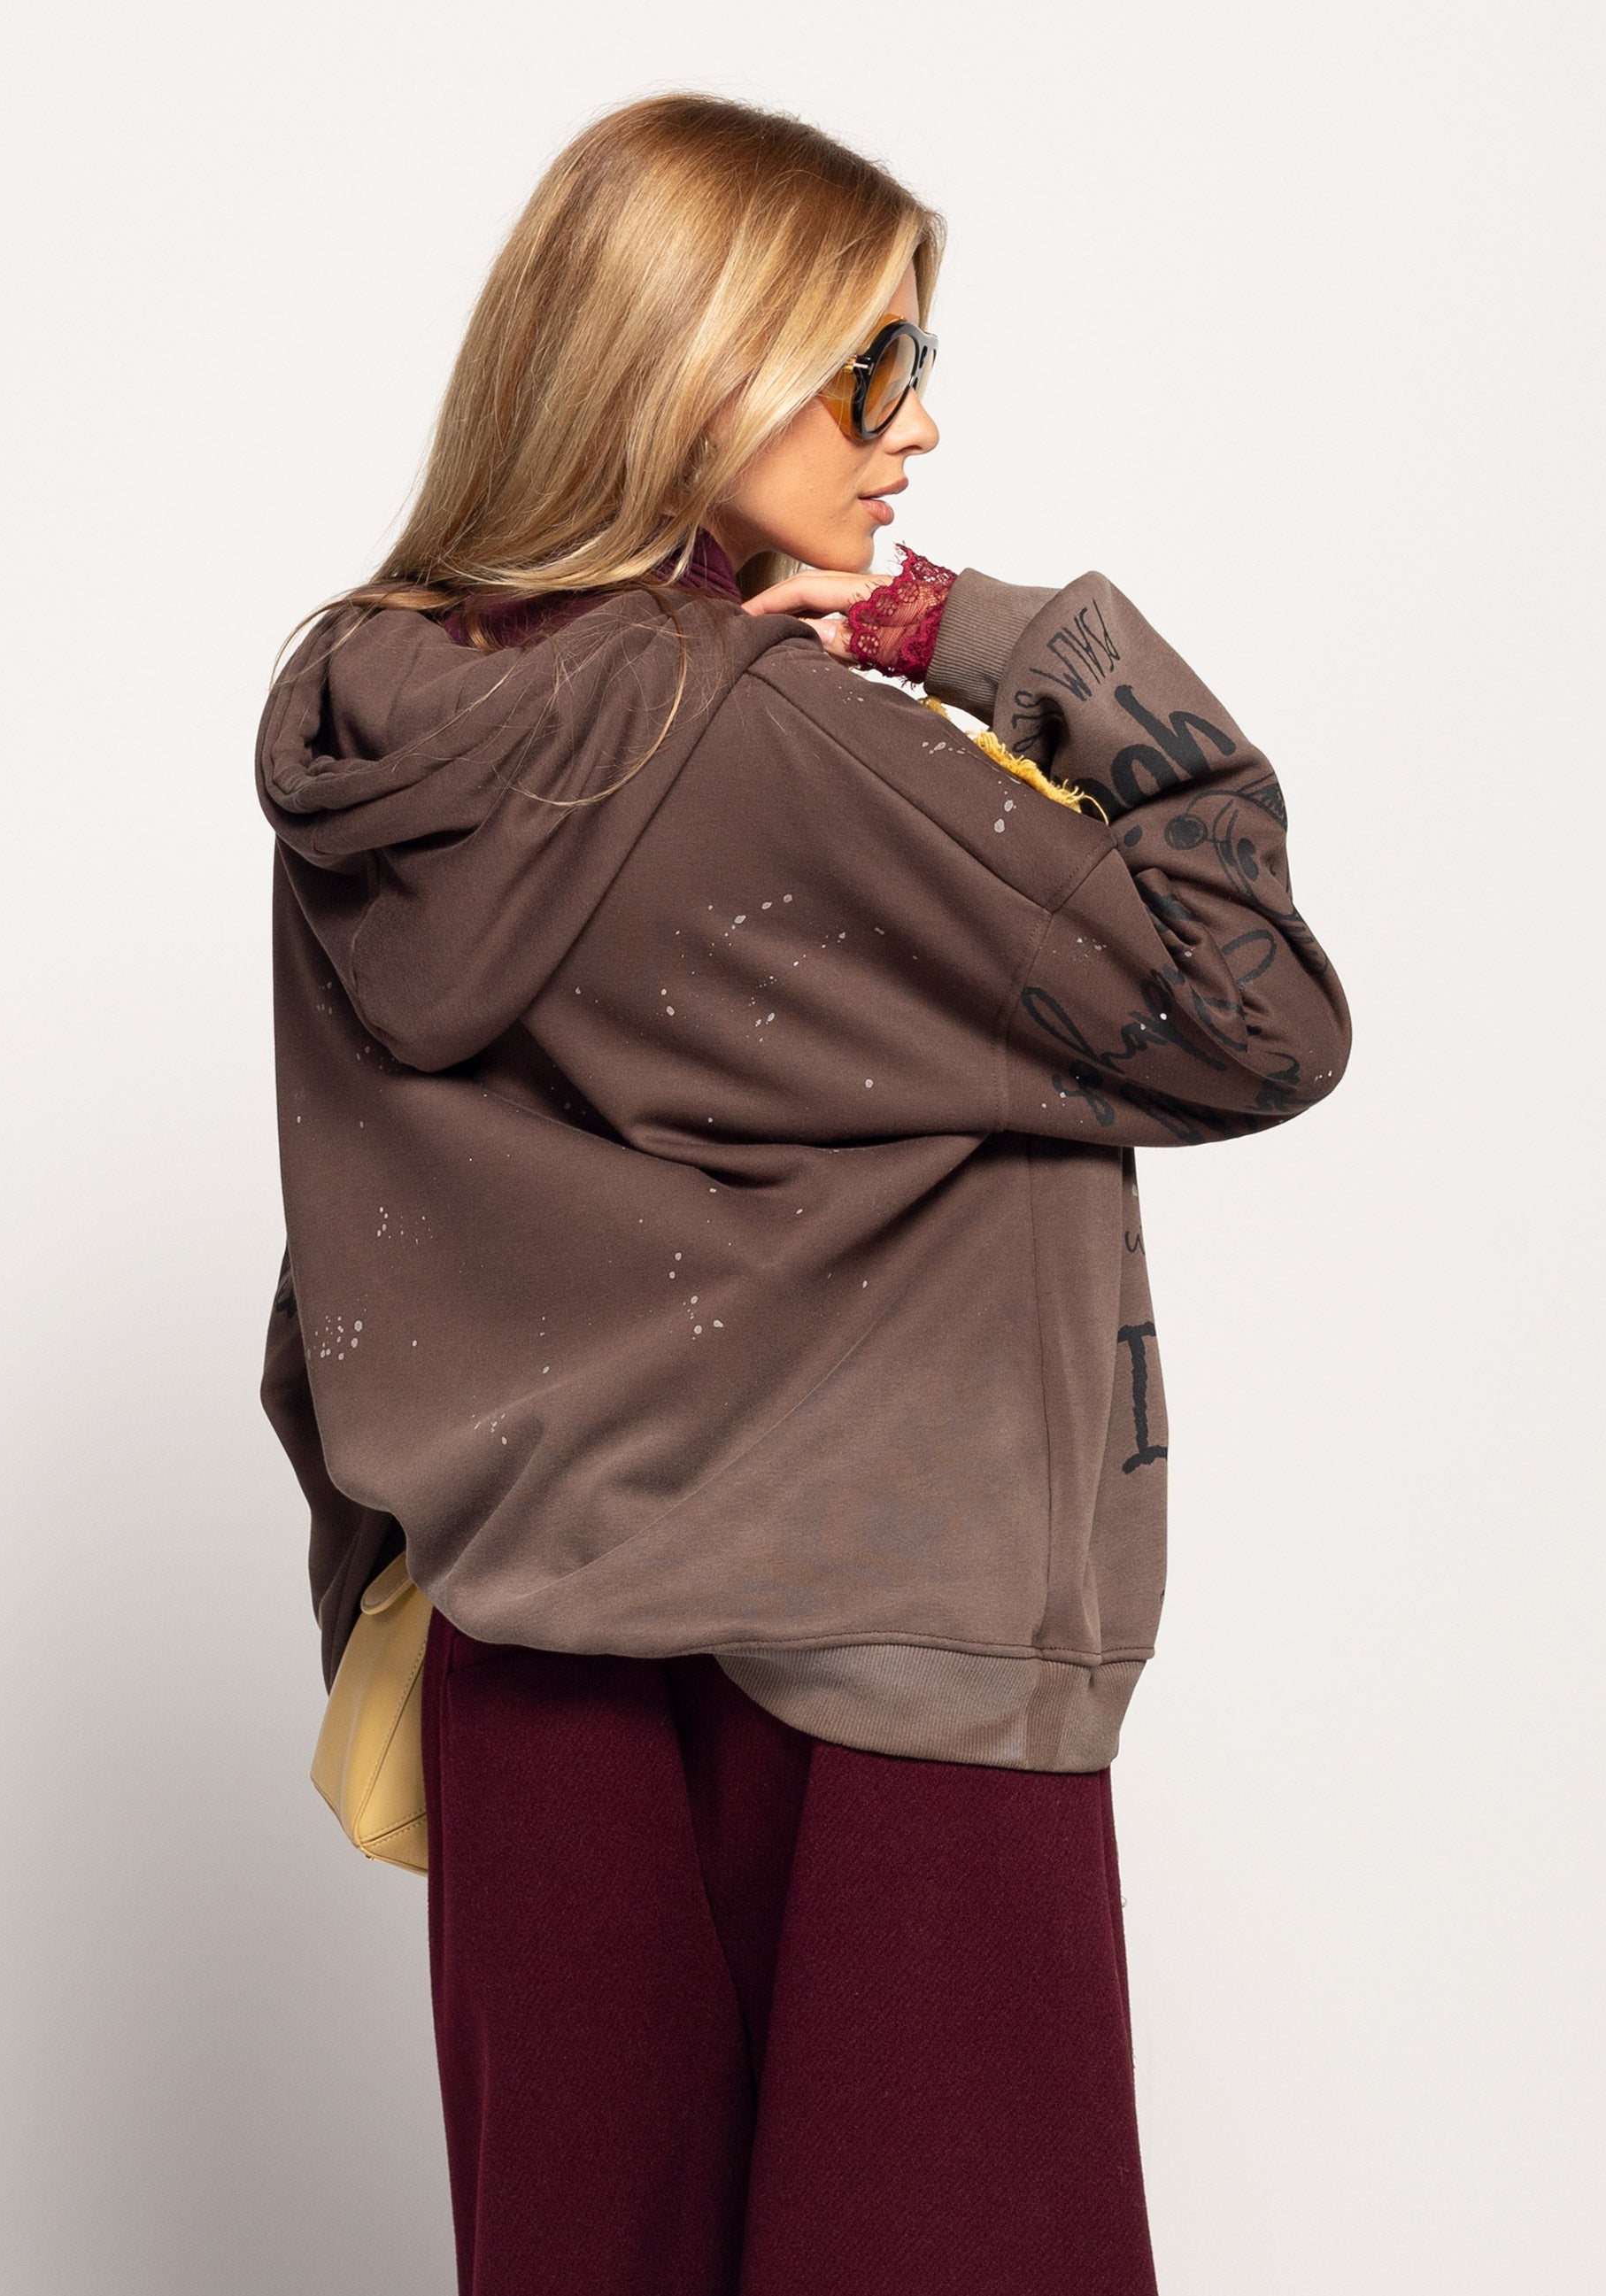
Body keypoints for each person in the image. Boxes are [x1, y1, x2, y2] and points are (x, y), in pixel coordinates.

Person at [257, 91, 1349, 2296]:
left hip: (522, 1645)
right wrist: (982, 632)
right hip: (886, 1653)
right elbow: (1258, 1011)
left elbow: (352, 1220)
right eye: (872, 366)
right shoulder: (789, 740)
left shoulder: (371, 739)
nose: (914, 428)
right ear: (691, 364)